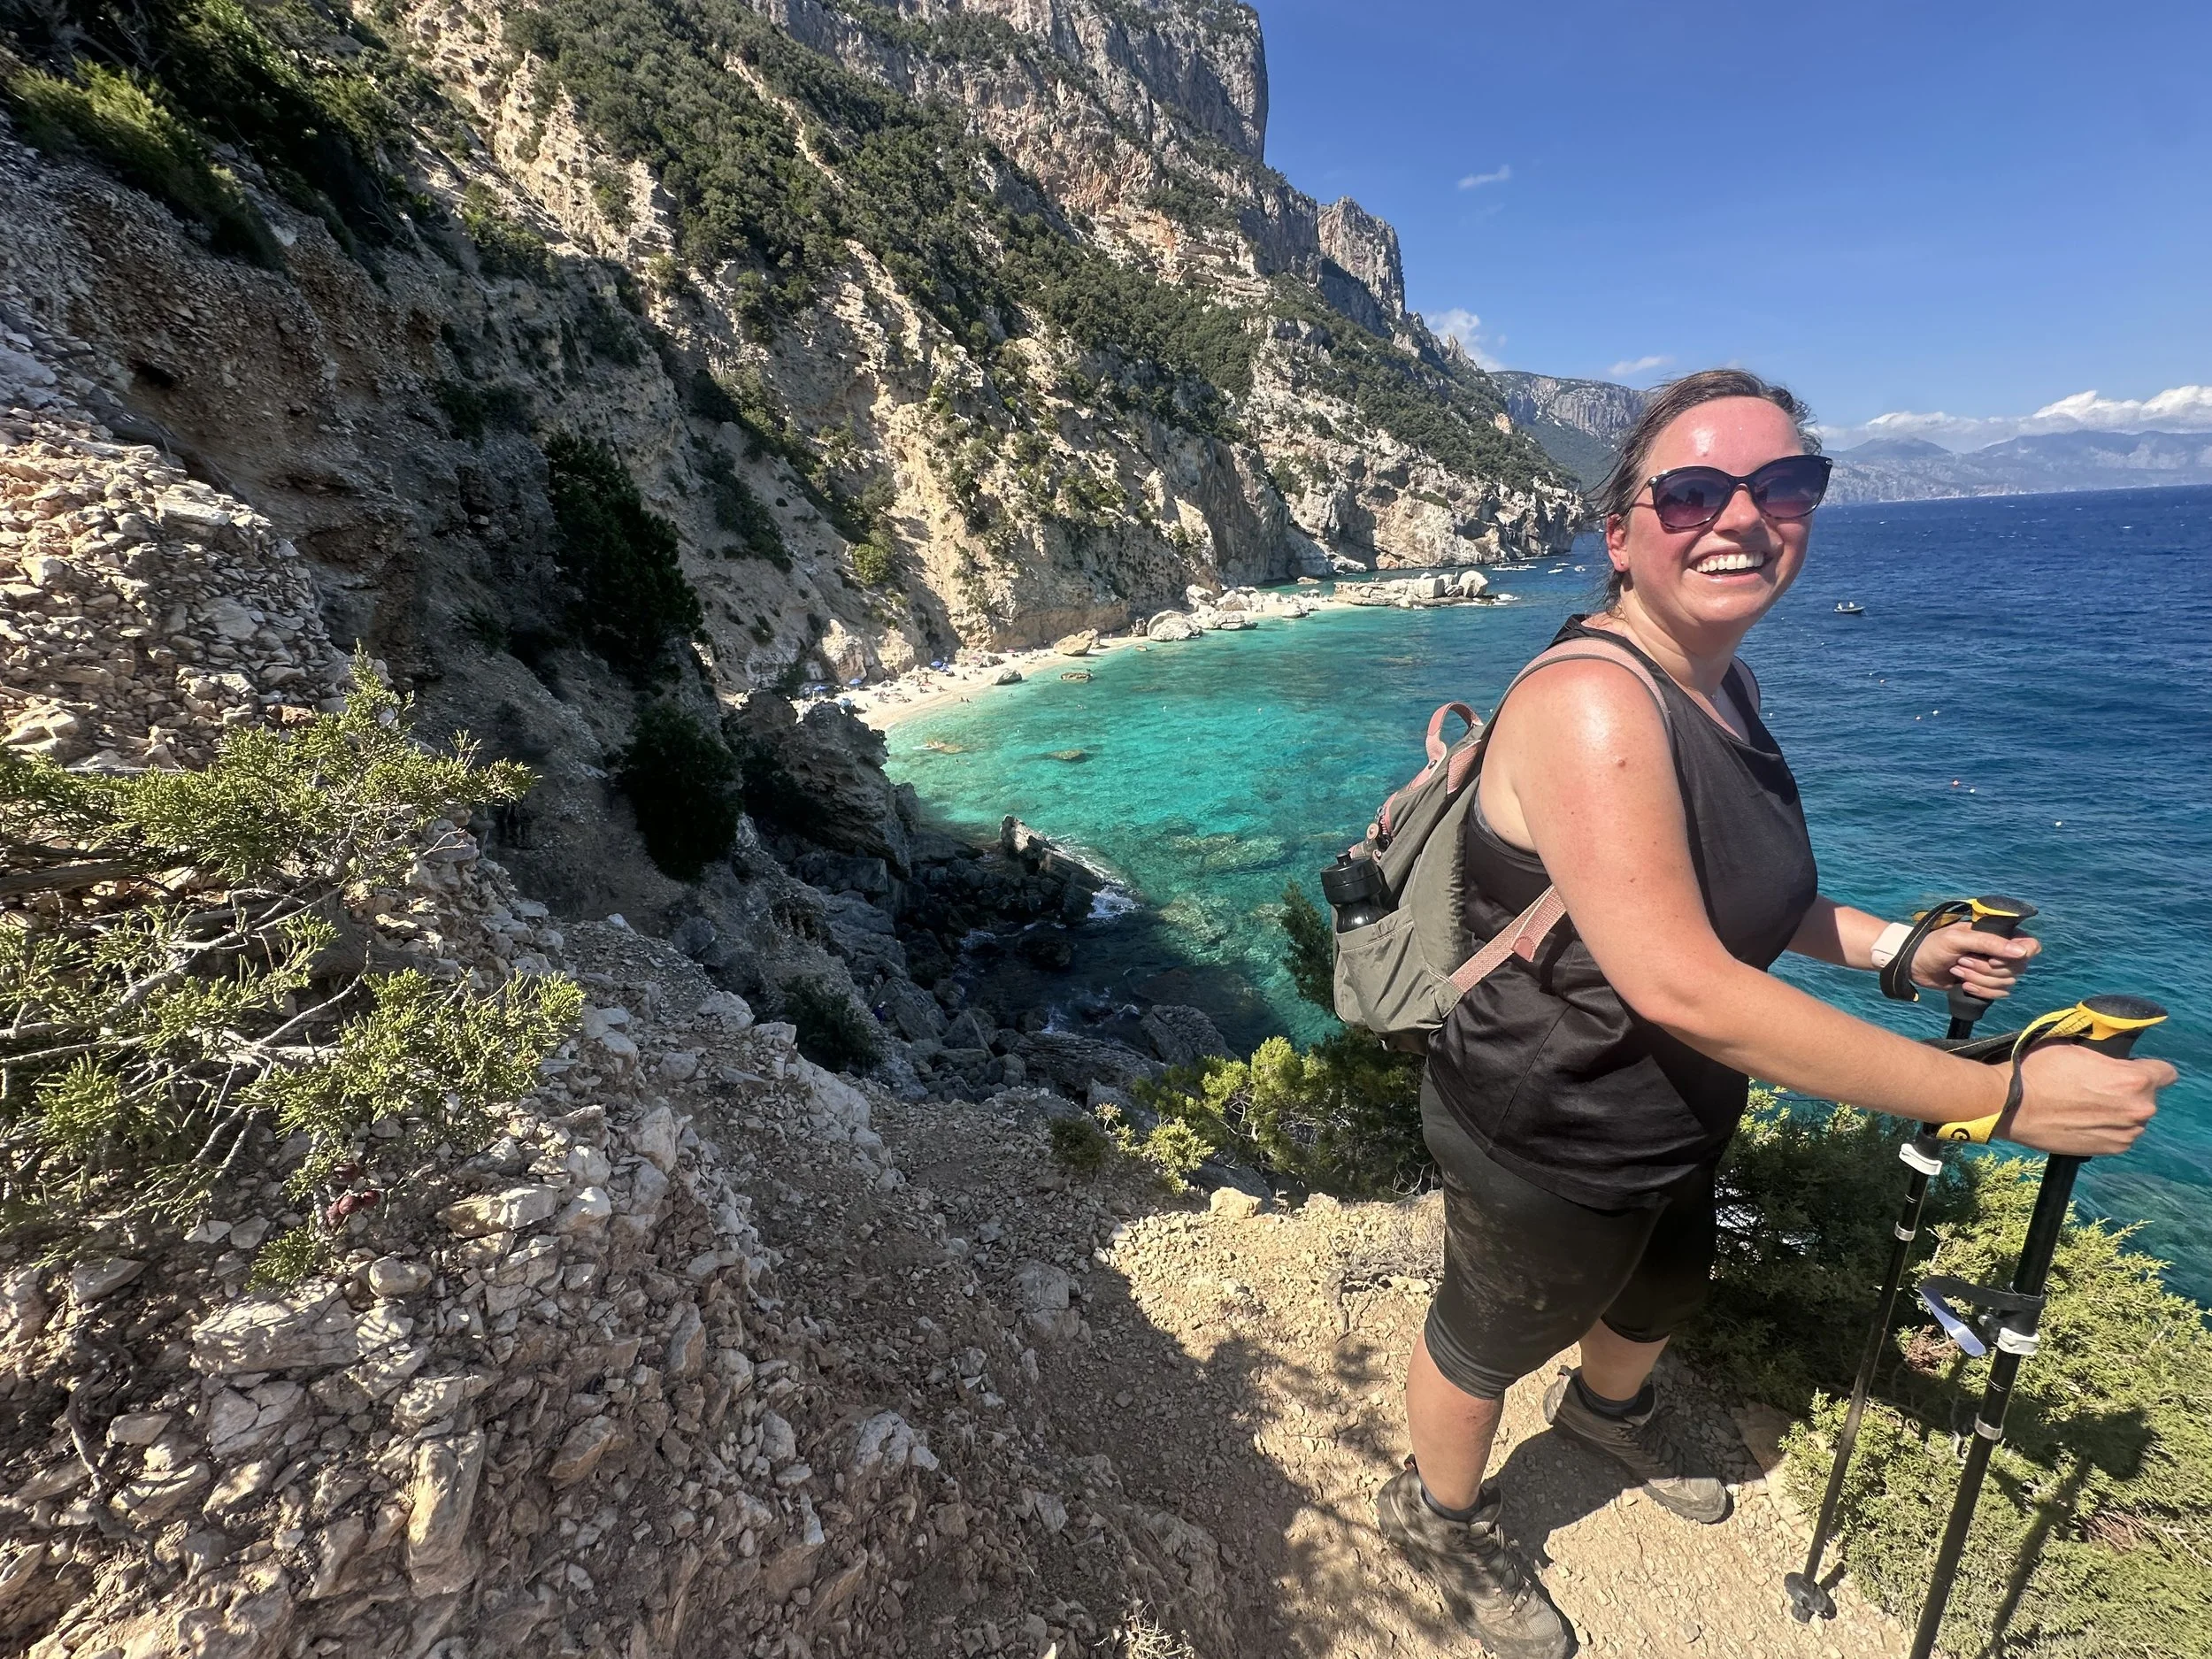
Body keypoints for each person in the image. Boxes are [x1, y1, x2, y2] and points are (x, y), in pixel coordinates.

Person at [1371, 368, 2175, 1659]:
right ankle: (1434, 1514)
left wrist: (1896, 948)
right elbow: (1683, 979)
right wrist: (2001, 1097)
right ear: (1622, 533)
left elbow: (1741, 897)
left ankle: (1604, 1417)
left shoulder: (1719, 684)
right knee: (1487, 1332)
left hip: (1676, 1106)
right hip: (1547, 1126)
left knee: (1664, 1285)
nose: (1740, 515)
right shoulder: (1593, 703)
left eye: (1783, 482)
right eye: (1691, 490)